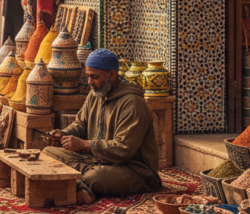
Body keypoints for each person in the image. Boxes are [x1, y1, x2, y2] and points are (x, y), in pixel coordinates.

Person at [44, 49, 162, 203]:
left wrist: (85, 145)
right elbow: (81, 124)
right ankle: (81, 186)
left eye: (95, 77)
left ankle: (81, 183)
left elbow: (123, 149)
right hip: (97, 160)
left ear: (112, 75)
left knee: (95, 177)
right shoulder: (95, 94)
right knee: (47, 153)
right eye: (88, 76)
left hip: (133, 169)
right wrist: (63, 134)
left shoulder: (133, 104)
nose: (90, 82)